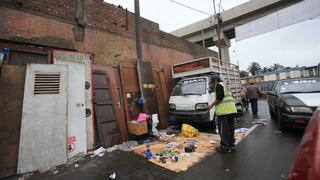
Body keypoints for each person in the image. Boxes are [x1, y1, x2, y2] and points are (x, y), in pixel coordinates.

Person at [208, 75, 237, 153]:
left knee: (224, 130)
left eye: (212, 83)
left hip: (224, 112)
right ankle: (231, 144)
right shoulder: (225, 85)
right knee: (230, 128)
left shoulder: (219, 85)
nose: (212, 85)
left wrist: (211, 105)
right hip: (231, 110)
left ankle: (225, 146)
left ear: (215, 81)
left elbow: (219, 98)